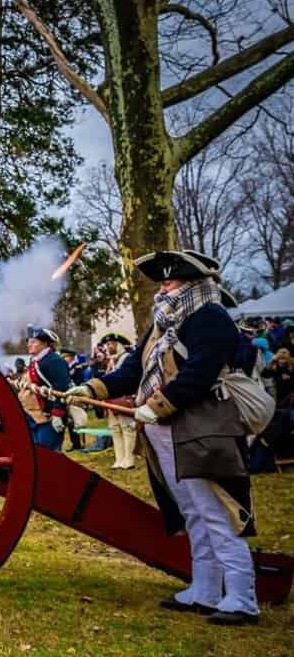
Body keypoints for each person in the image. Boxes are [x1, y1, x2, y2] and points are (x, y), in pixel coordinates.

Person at [66, 249, 258, 625]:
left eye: (170, 282)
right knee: (192, 511)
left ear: (192, 284)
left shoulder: (210, 317)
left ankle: (241, 595)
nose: (163, 289)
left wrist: (160, 404)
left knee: (218, 511)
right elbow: (134, 368)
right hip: (166, 429)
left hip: (203, 426)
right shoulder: (165, 324)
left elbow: (201, 372)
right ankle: (205, 589)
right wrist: (93, 388)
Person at [18, 327, 71, 450]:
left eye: (33, 342)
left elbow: (62, 389)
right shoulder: (36, 360)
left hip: (49, 416)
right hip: (34, 415)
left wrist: (58, 414)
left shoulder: (54, 360)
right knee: (37, 451)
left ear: (45, 343)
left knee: (49, 453)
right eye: (28, 342)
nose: (29, 345)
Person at [98, 332, 137, 469]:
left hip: (124, 399)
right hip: (111, 401)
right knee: (115, 430)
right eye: (107, 344)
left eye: (110, 344)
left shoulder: (127, 358)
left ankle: (129, 459)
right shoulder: (112, 361)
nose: (107, 347)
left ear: (118, 344)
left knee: (127, 429)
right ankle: (119, 459)